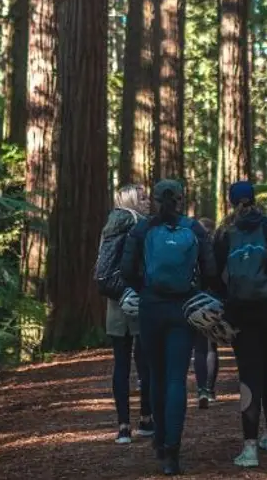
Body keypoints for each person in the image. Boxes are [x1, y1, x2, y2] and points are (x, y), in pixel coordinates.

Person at [121, 179, 217, 476]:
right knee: (177, 378)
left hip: (151, 308)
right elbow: (211, 271)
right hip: (183, 309)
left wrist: (146, 289)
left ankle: (160, 442)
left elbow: (126, 271)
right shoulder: (194, 229)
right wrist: (196, 290)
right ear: (179, 199)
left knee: (156, 376)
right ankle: (172, 455)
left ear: (156, 199)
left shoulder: (142, 229)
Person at [213, 181, 267, 468]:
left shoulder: (224, 233)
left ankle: (249, 448)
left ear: (231, 202)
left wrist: (229, 304)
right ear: (254, 199)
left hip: (242, 315)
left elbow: (214, 278)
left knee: (249, 376)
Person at [94, 184, 154, 444]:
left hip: (116, 302)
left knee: (121, 364)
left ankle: (123, 427)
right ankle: (146, 419)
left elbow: (103, 266)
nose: (148, 200)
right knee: (144, 364)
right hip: (138, 299)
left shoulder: (110, 225)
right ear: (131, 200)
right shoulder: (139, 224)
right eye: (142, 197)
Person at [192, 217, 220, 409]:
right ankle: (210, 390)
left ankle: (201, 389)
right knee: (212, 347)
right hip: (214, 298)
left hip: (195, 298)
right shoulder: (217, 247)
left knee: (199, 348)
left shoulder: (192, 247)